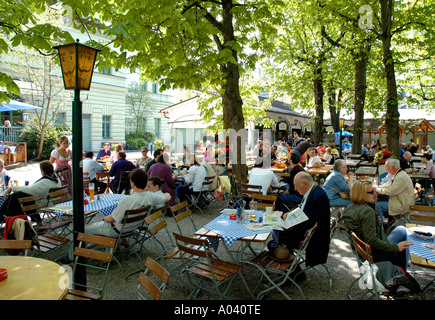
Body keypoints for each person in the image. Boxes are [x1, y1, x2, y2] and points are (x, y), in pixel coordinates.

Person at [342, 180, 413, 271]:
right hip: (377, 256)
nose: (375, 194)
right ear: (362, 194)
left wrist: (376, 224)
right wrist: (396, 248)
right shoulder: (367, 212)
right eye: (372, 192)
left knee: (401, 229)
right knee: (404, 242)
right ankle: (400, 275)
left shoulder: (350, 208)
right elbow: (372, 241)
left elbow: (366, 233)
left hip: (365, 252)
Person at [270, 172, 331, 276]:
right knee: (277, 233)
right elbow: (304, 212)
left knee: (276, 241)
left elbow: (311, 225)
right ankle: (292, 269)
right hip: (309, 233)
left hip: (314, 240)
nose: (295, 188)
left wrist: (292, 227)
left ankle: (292, 272)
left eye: (296, 186)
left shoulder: (315, 197)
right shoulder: (314, 191)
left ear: (305, 184)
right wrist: (291, 215)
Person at [85, 168, 171, 239]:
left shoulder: (127, 199)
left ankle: (76, 253)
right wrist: (167, 194)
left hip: (117, 230)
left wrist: (104, 219)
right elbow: (167, 198)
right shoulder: (151, 196)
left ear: (132, 183)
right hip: (133, 228)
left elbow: (112, 219)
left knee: (83, 228)